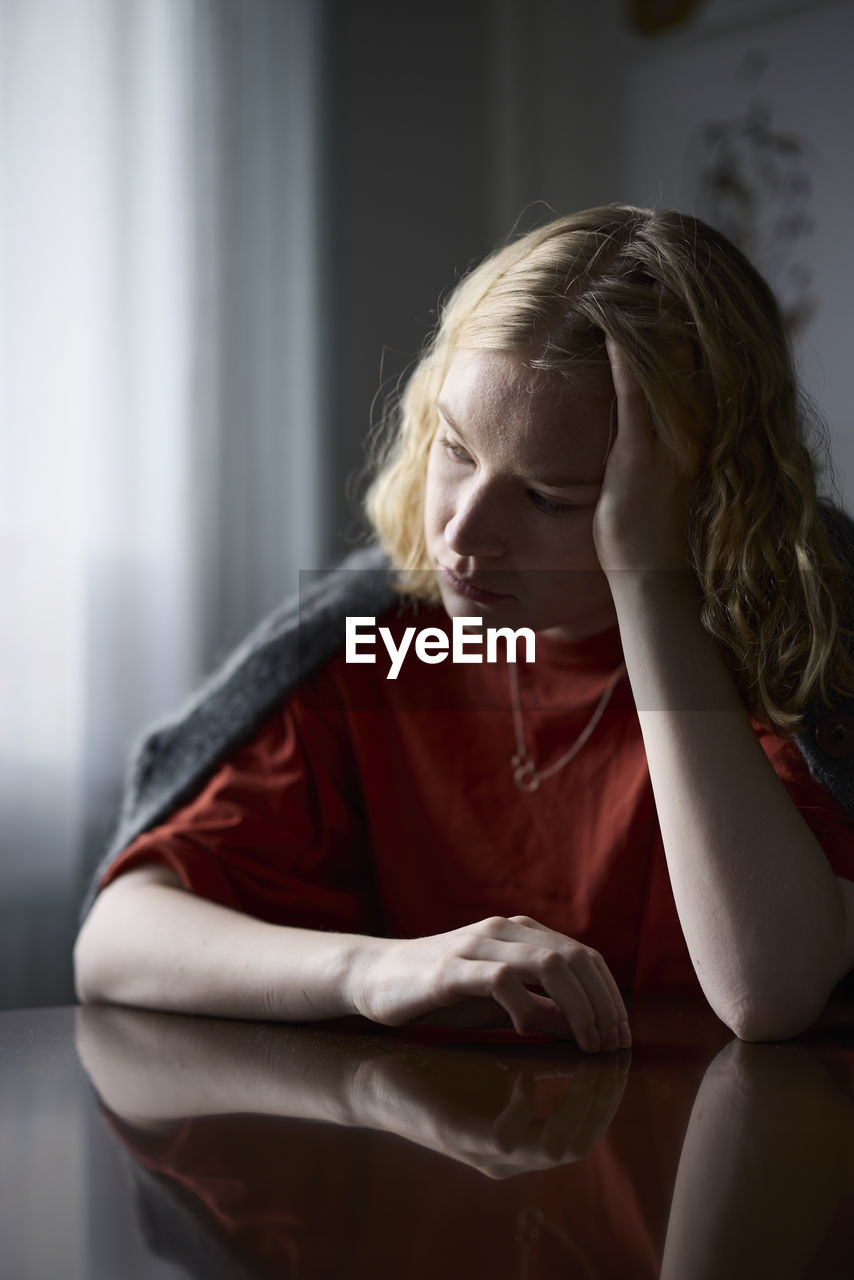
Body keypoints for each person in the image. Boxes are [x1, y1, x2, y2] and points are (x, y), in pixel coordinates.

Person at [74, 204, 854, 1052]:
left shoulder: (795, 650)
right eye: (456, 449)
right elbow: (117, 940)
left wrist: (653, 589)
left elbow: (764, 990)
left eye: (548, 497)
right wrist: (374, 973)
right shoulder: (396, 638)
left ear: (694, 500)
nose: (461, 535)